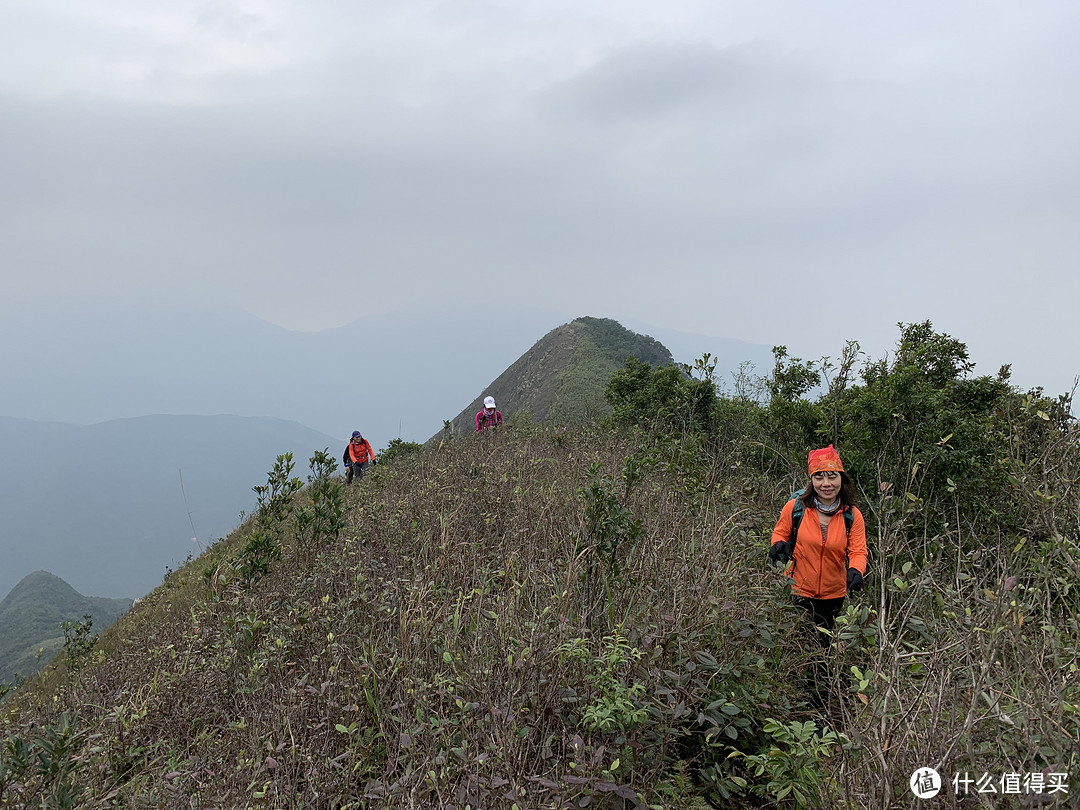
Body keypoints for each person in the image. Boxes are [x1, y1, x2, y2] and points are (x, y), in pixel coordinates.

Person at [769, 444, 868, 648]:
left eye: (832, 476)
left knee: (822, 647)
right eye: (819, 477)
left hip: (833, 595)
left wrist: (856, 570)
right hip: (797, 590)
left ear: (842, 478)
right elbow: (781, 532)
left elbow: (858, 550)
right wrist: (778, 544)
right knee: (797, 645)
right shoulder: (795, 508)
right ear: (811, 480)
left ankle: (821, 679)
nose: (826, 484)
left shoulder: (852, 515)